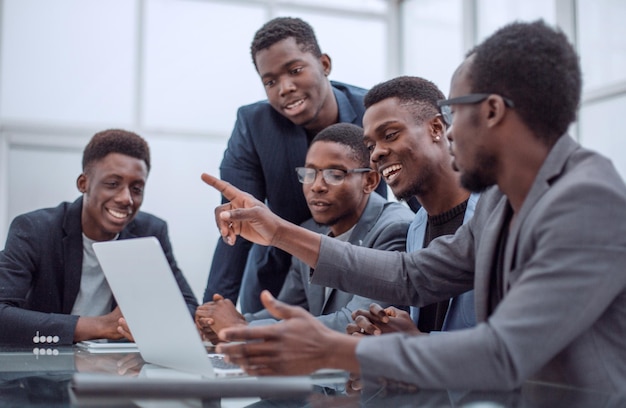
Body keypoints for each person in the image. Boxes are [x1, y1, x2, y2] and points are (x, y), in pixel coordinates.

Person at [201, 20, 626, 393]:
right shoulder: (502, 202)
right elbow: (413, 275)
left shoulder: (586, 199)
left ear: (492, 110)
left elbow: (504, 351)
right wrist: (278, 231)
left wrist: (337, 349)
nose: (451, 132)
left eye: (454, 112)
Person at [205, 16, 389, 313]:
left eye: (295, 70)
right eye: (270, 81)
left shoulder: (373, 111)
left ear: (325, 65)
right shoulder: (253, 125)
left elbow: (420, 193)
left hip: (362, 271)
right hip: (280, 284)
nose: (285, 87)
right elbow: (236, 223)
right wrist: (214, 310)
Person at [195, 123, 412, 341]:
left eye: (335, 174)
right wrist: (225, 322)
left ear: (370, 181)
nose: (316, 186)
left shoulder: (394, 229)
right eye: (309, 173)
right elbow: (287, 311)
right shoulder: (309, 230)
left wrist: (242, 330)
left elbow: (357, 323)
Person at [0, 129, 198, 346]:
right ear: (83, 183)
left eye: (137, 188)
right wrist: (102, 326)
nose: (126, 199)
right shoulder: (35, 230)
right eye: (113, 184)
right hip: (46, 368)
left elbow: (188, 308)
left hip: (120, 370)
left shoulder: (150, 232)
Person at [352, 76, 479, 335]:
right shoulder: (416, 227)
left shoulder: (495, 212)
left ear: (436, 128)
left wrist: (412, 342)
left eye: (389, 135)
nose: (375, 153)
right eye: (370, 145)